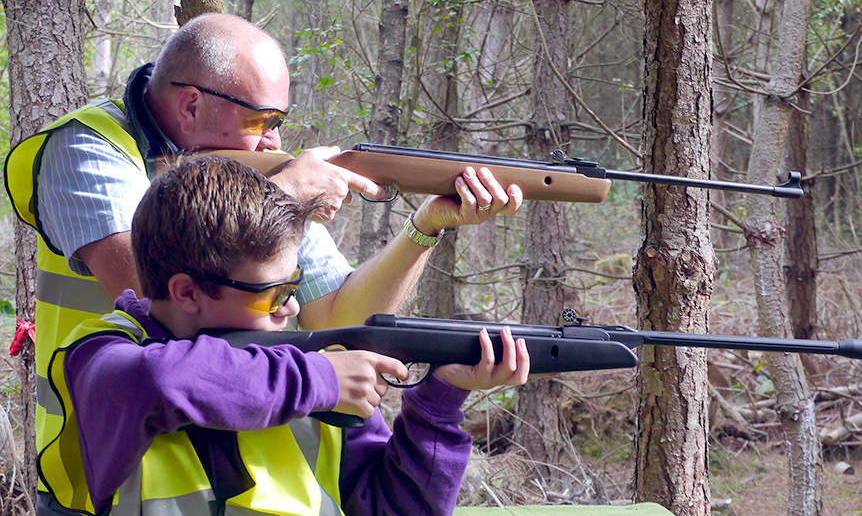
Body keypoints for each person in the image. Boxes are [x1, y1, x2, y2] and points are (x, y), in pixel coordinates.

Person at [4, 13, 523, 510]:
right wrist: (286, 192)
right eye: (263, 120)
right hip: (108, 480)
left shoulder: (310, 356)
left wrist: (424, 227)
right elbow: (148, 283)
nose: (275, 140)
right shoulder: (89, 145)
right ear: (190, 106)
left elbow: (339, 319)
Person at [36, 154, 530, 516]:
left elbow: (398, 509)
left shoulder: (311, 367)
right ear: (186, 292)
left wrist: (441, 402)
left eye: (294, 285)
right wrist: (319, 378)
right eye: (272, 293)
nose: (292, 306)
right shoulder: (102, 354)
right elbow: (160, 382)